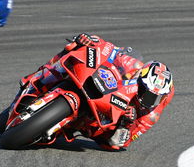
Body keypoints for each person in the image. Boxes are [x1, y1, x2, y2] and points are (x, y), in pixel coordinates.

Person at [19, 33, 175, 150]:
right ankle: (38, 76)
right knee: (73, 48)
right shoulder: (133, 65)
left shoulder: (151, 114)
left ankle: (65, 124)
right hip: (104, 88)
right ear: (140, 77)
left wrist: (126, 125)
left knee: (109, 145)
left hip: (105, 120)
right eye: (147, 93)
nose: (148, 100)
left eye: (154, 98)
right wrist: (92, 40)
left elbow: (121, 142)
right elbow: (110, 50)